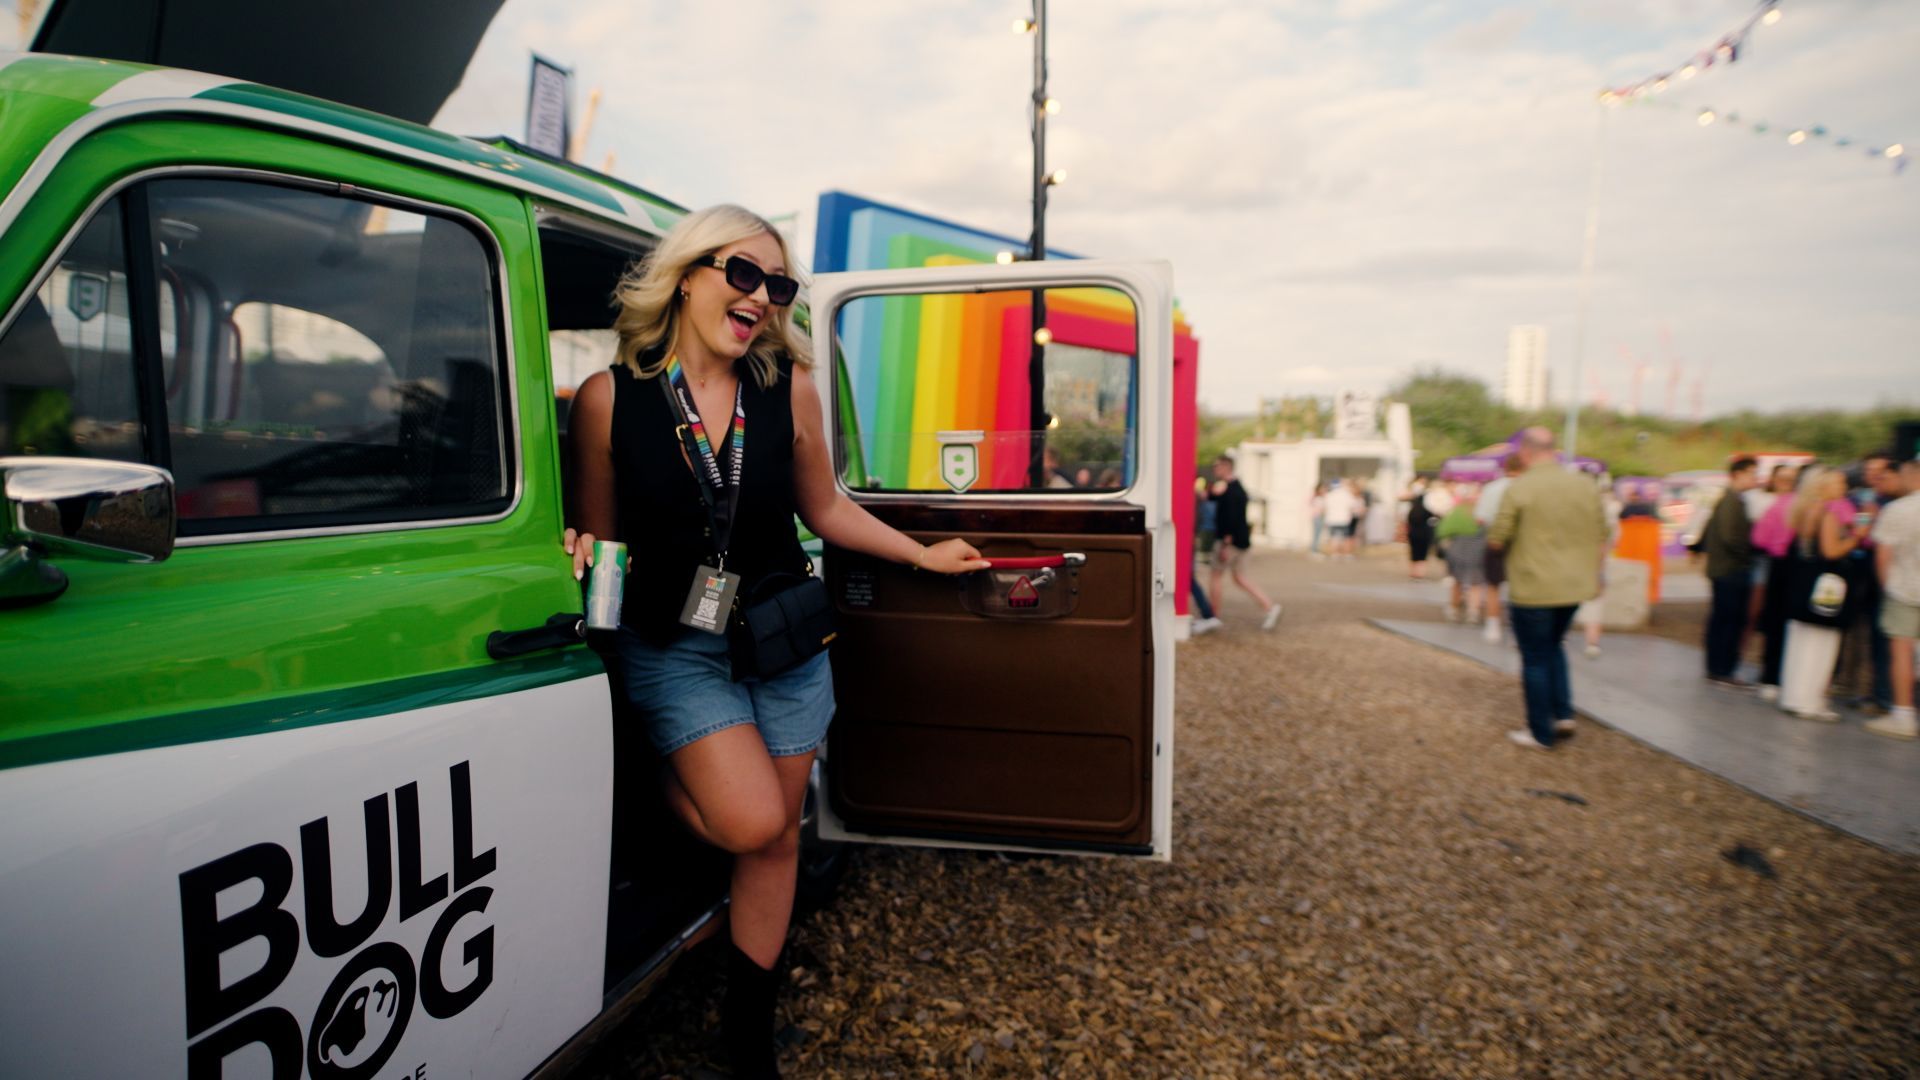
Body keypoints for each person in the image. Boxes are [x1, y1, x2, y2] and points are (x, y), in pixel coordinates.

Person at [562, 205, 990, 1077]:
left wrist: (922, 554)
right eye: (742, 274)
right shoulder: (610, 399)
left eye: (779, 285)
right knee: (751, 817)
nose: (760, 297)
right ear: (687, 274)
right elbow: (599, 540)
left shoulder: (785, 387)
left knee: (777, 841)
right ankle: (653, 792)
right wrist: (573, 560)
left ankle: (747, 1043)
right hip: (675, 645)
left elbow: (823, 508)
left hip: (785, 638)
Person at [1488, 427, 1609, 751]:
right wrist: (1596, 575)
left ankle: (1541, 731)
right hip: (1574, 586)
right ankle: (1563, 712)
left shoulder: (1521, 487)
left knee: (1535, 658)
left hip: (1534, 585)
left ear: (1525, 452)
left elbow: (1498, 537)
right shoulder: (1585, 485)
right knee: (1555, 645)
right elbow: (1602, 534)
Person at [1777, 467, 1869, 723]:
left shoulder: (1804, 510)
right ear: (1824, 486)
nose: (1844, 487)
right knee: (1822, 644)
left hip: (1804, 582)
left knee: (1801, 641)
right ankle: (1811, 700)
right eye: (1839, 482)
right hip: (1827, 586)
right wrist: (1856, 538)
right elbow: (1830, 550)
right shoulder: (1828, 512)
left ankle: (1793, 697)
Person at [1866, 458, 1920, 739]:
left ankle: (1903, 714)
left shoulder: (1898, 509)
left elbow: (1883, 554)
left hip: (1904, 589)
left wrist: (1887, 586)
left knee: (1901, 653)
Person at [1701, 457, 1760, 688]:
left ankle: (1718, 668)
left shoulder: (1733, 500)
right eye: (1752, 473)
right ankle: (1722, 669)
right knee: (1728, 620)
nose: (1755, 479)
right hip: (1730, 570)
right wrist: (1748, 554)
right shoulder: (1731, 502)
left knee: (1723, 619)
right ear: (1739, 474)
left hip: (1726, 569)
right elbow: (1729, 537)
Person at [1208, 455, 1282, 630]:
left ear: (1226, 467)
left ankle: (1213, 615)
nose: (1214, 469)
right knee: (1240, 578)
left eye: (1216, 466)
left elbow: (1231, 518)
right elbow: (1216, 500)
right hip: (1241, 541)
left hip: (1229, 541)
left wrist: (1225, 544)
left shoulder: (1232, 491)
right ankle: (1269, 606)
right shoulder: (1235, 489)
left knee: (1216, 576)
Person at [1749, 464, 1801, 698]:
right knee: (1788, 622)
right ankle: (1783, 676)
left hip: (1776, 564)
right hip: (1794, 565)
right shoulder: (1802, 504)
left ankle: (1770, 677)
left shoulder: (1776, 505)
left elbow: (1759, 538)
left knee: (1774, 621)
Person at [1475, 455, 1523, 644]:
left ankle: (1493, 625)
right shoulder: (1526, 488)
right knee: (1518, 587)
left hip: (1495, 539)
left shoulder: (1492, 488)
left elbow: (1480, 518)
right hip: (1521, 542)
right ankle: (1516, 627)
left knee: (1493, 585)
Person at [1435, 491, 1486, 623]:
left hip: (1457, 550)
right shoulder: (1483, 513)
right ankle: (1473, 612)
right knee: (1476, 583)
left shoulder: (1456, 512)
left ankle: (1453, 609)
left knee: (1457, 582)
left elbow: (1442, 531)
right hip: (1477, 551)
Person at [1189, 476, 1223, 636]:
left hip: (1187, 541)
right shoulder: (1197, 497)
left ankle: (1208, 614)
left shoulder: (1193, 497)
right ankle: (1208, 614)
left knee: (1188, 579)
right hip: (1191, 540)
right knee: (1188, 579)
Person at [1404, 477, 1436, 579]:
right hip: (1419, 529)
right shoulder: (1415, 498)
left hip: (1419, 528)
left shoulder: (1427, 497)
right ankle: (1417, 572)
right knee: (1419, 551)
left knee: (1418, 550)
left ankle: (1417, 572)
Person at [1322, 478, 1359, 560]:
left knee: (1334, 537)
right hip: (1344, 519)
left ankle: (1335, 554)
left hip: (1331, 519)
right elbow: (1353, 506)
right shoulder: (1346, 494)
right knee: (1346, 537)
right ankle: (1347, 554)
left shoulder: (1329, 495)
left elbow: (1324, 507)